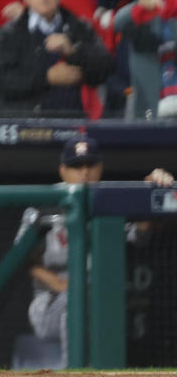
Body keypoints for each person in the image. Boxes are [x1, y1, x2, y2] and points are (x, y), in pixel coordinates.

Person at [15, 137, 174, 361]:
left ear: (100, 168)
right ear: (62, 171)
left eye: (90, 165)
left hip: (93, 296)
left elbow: (140, 233)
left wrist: (154, 186)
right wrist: (61, 284)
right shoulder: (44, 204)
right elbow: (24, 260)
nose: (84, 173)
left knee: (92, 301)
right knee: (77, 301)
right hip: (48, 303)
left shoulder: (107, 202)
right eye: (76, 166)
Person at [0, 0, 114, 116]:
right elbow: (0, 81)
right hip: (24, 126)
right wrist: (46, 77)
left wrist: (74, 52)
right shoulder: (9, 33)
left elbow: (105, 68)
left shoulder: (79, 27)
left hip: (70, 124)